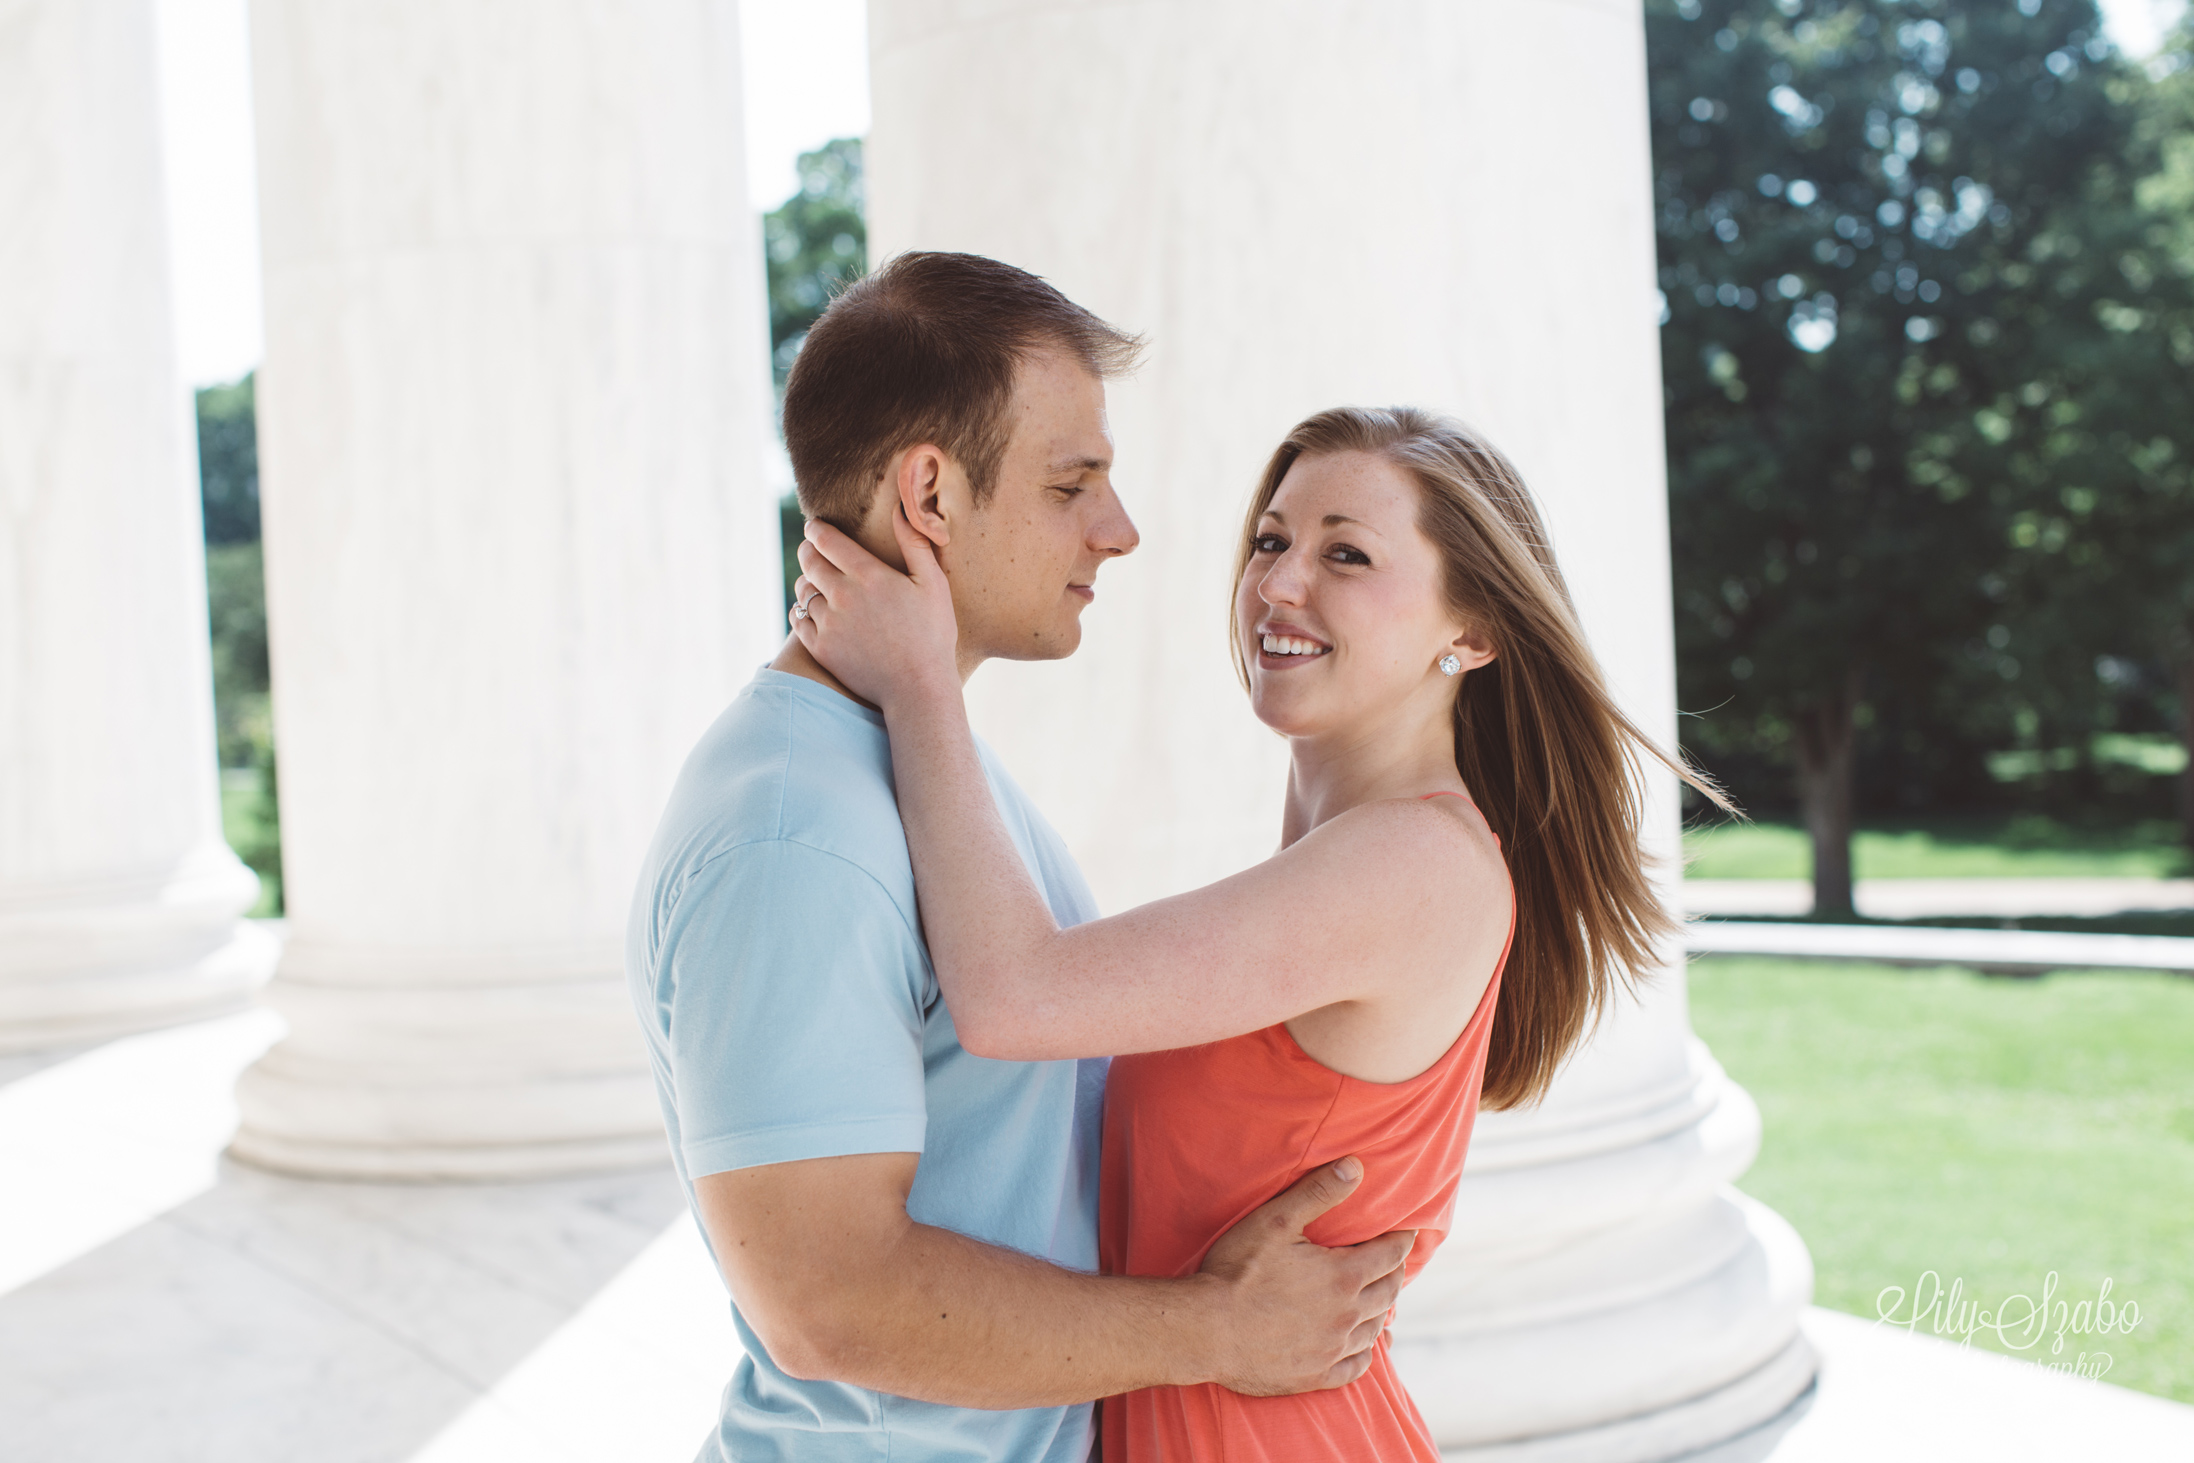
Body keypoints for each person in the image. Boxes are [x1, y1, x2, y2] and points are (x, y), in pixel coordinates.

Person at [792, 404, 1731, 1460]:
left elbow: (1015, 997)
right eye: (1272, 540)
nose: (1279, 582)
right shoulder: (1358, 857)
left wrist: (919, 680)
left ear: (1470, 633)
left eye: (1347, 553)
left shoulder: (1409, 865)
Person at [625, 254, 1415, 1463]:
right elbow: (827, 1302)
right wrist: (1214, 1330)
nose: (1120, 527)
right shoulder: (794, 836)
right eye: (1072, 483)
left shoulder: (911, 754)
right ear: (929, 496)